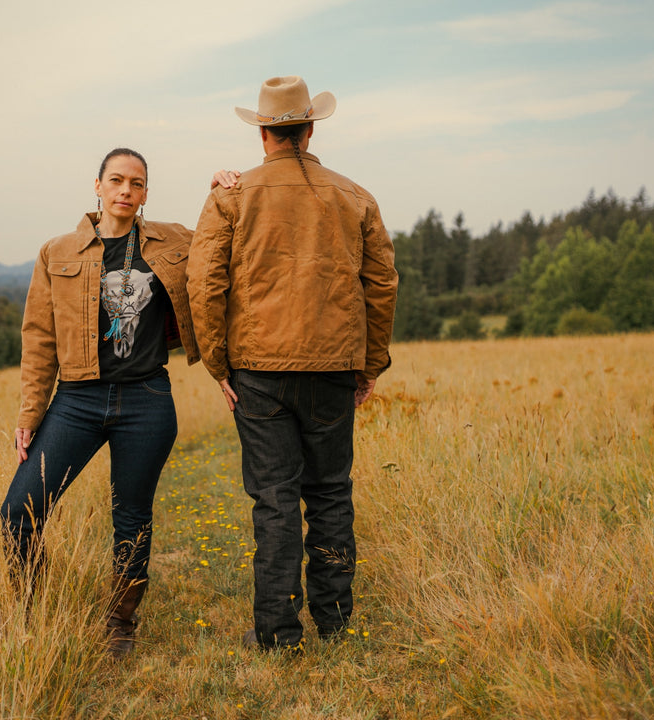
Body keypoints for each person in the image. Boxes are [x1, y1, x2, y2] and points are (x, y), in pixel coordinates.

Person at [187, 76, 399, 651]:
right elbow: (381, 285)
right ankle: (335, 619)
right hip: (333, 367)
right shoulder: (355, 196)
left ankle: (279, 633)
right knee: (330, 492)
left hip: (257, 370)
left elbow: (204, 283)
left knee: (274, 498)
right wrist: (369, 364)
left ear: (263, 134)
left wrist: (218, 365)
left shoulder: (231, 195)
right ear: (309, 129)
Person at [1, 148, 202, 659]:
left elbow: (228, 240)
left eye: (137, 183)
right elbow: (39, 338)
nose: (126, 191)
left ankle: (120, 621)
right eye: (116, 180)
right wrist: (30, 414)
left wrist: (228, 188)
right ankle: (33, 609)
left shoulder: (174, 240)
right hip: (77, 399)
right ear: (97, 185)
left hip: (147, 399)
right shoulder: (58, 252)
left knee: (131, 517)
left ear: (146, 193)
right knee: (17, 513)